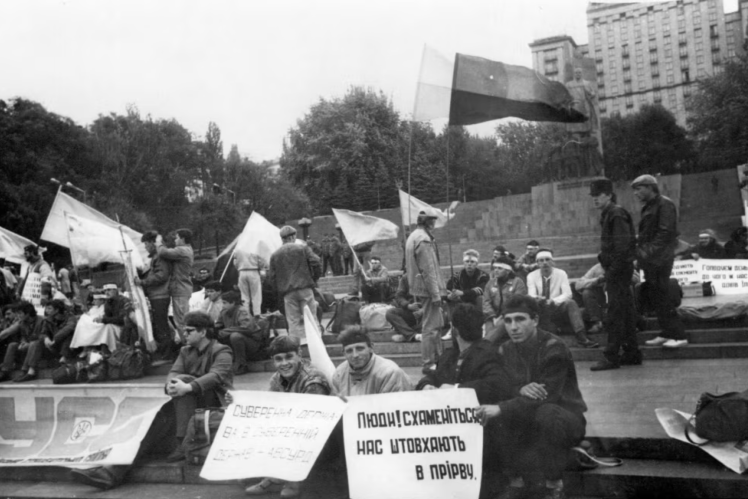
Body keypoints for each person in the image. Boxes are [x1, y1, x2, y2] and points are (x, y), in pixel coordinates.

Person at [70, 311, 234, 491]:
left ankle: (181, 441)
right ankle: (111, 472)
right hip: (185, 405)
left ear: (203, 332)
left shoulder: (221, 350)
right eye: (184, 330)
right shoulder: (185, 351)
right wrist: (172, 385)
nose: (184, 334)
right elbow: (173, 372)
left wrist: (187, 387)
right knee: (152, 423)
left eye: (189, 330)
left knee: (184, 381)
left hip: (214, 407)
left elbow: (216, 376)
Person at [476, 295, 588, 499]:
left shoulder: (554, 346)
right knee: (494, 413)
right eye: (508, 321)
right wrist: (519, 388)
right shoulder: (506, 349)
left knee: (546, 414)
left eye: (520, 319)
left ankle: (554, 483)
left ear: (535, 320)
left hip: (565, 416)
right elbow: (501, 385)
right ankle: (516, 481)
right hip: (528, 415)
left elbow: (547, 395)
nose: (513, 327)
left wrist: (503, 406)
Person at [245, 335, 331, 498]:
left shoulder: (313, 380)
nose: (284, 363)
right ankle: (273, 476)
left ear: (299, 354)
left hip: (318, 435)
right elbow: (269, 406)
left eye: (289, 357)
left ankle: (293, 480)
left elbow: (313, 422)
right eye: (279, 359)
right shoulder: (277, 378)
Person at [588, 179, 641, 372]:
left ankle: (611, 357)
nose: (595, 199)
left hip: (618, 270)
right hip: (619, 269)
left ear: (609, 195)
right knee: (625, 312)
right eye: (593, 196)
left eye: (598, 195)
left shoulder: (615, 214)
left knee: (615, 314)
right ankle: (632, 353)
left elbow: (622, 247)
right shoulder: (610, 213)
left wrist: (610, 272)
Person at [633, 175, 688, 349]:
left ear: (650, 187)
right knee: (657, 297)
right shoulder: (650, 206)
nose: (636, 193)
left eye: (639, 188)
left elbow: (665, 233)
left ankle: (679, 336)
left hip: (660, 259)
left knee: (663, 296)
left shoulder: (664, 204)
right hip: (652, 259)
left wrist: (644, 253)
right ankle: (667, 332)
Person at [416, 303, 503, 405]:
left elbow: (495, 385)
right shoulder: (448, 355)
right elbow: (433, 376)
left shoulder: (489, 353)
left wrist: (457, 388)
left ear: (455, 330)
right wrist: (426, 385)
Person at [526, 249, 599, 348]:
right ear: (537, 263)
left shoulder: (561, 273)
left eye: (547, 259)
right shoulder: (531, 276)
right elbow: (531, 295)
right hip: (541, 308)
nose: (544, 263)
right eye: (541, 260)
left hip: (556, 306)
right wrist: (540, 299)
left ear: (552, 261)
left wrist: (553, 300)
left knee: (571, 303)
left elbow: (568, 294)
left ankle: (581, 336)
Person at [405, 211, 446, 374]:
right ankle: (429, 363)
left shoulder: (414, 236)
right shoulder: (423, 239)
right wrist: (436, 293)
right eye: (433, 221)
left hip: (421, 287)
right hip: (428, 289)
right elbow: (428, 269)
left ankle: (436, 359)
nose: (434, 224)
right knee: (431, 327)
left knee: (434, 325)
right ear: (428, 222)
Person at [268, 226, 322, 341]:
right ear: (293, 236)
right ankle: (316, 343)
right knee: (311, 317)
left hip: (287, 292)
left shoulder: (275, 254)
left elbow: (272, 277)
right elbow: (316, 262)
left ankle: (298, 346)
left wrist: (279, 290)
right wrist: (313, 279)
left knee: (293, 321)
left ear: (282, 239)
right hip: (305, 287)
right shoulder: (303, 248)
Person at [332, 326, 412, 396]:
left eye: (360, 349)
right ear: (344, 353)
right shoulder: (339, 373)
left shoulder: (389, 372)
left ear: (371, 348)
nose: (355, 355)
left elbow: (393, 408)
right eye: (349, 351)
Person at [136, 231, 175, 361]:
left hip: (160, 294)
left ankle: (168, 353)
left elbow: (161, 275)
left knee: (161, 324)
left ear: (153, 242)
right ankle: (166, 351)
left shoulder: (159, 256)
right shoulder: (156, 256)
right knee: (160, 323)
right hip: (156, 294)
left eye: (146, 244)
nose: (145, 247)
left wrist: (143, 282)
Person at [215, 291, 267, 375]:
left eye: (224, 303)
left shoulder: (242, 311)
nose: (222, 305)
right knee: (215, 335)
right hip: (236, 342)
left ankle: (241, 365)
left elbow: (246, 329)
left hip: (252, 343)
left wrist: (224, 332)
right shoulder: (223, 312)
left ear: (233, 303)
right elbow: (218, 325)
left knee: (235, 336)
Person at [156, 228, 194, 344]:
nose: (175, 240)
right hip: (181, 289)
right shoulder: (185, 250)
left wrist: (159, 242)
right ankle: (186, 345)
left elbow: (163, 252)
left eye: (177, 237)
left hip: (180, 290)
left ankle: (188, 346)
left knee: (182, 322)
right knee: (180, 321)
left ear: (182, 239)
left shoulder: (182, 250)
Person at [483, 255, 528, 344]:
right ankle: (486, 347)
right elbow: (486, 302)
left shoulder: (517, 282)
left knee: (495, 332)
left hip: (510, 314)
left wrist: (502, 316)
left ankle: (482, 347)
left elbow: (517, 302)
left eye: (500, 268)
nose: (496, 270)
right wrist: (492, 317)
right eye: (495, 268)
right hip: (492, 316)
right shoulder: (491, 283)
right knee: (490, 330)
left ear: (508, 270)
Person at [0, 301, 48, 382]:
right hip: (29, 347)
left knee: (34, 343)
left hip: (41, 349)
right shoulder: (22, 323)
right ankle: (5, 371)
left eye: (20, 313)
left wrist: (28, 344)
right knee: (13, 345)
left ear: (28, 313)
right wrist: (23, 342)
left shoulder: (42, 321)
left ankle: (26, 371)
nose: (18, 316)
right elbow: (21, 335)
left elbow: (43, 337)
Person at [386, 276, 422, 343]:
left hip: (427, 311)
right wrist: (407, 305)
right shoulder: (405, 278)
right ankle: (412, 335)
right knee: (390, 313)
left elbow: (438, 297)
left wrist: (423, 310)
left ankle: (406, 335)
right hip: (410, 312)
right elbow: (399, 296)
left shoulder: (429, 274)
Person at [234, 247, 267, 317]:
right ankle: (257, 314)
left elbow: (235, 263)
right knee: (256, 294)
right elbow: (261, 262)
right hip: (253, 271)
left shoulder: (239, 248)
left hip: (242, 271)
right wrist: (261, 267)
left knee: (244, 295)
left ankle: (246, 314)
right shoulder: (255, 247)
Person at [42, 298, 78, 363]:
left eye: (49, 308)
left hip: (68, 346)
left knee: (69, 334)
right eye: (46, 308)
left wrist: (55, 339)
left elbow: (69, 328)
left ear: (57, 310)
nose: (46, 310)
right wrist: (46, 338)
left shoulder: (70, 317)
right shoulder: (48, 319)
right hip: (54, 345)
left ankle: (64, 357)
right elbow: (43, 331)